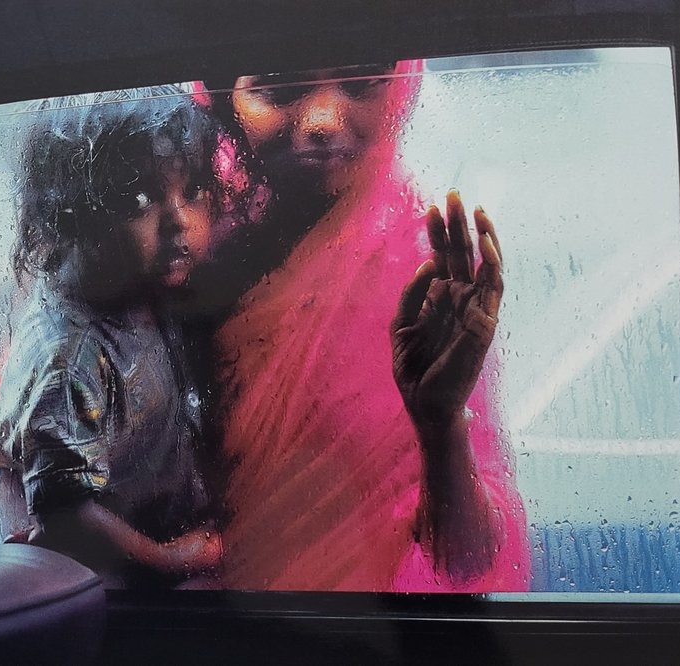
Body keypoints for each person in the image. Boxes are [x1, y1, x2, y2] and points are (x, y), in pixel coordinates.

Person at [202, 62, 529, 591]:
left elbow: (468, 563)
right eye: (278, 88)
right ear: (218, 99)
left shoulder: (420, 275)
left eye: (361, 83)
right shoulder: (173, 242)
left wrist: (440, 425)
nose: (325, 119)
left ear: (400, 87)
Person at [0, 90, 227, 588]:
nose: (179, 220)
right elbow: (66, 515)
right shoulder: (73, 356)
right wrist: (170, 560)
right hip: (121, 588)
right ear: (74, 216)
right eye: (141, 199)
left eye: (194, 189)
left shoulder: (141, 289)